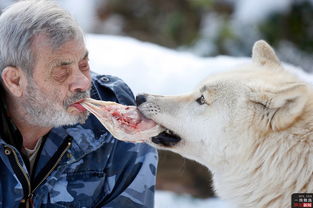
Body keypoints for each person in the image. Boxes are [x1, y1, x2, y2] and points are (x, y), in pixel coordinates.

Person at [0, 0, 158, 207]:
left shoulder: (114, 116)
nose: (84, 82)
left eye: (84, 65)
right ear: (15, 80)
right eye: (61, 71)